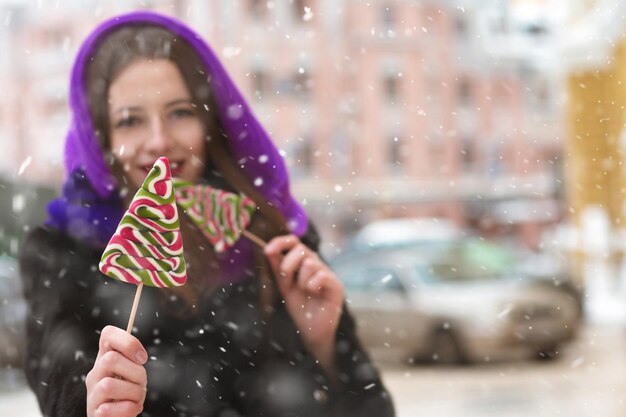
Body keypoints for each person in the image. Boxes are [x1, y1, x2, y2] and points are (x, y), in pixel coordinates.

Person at [19, 10, 395, 417]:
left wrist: (324, 345)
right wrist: (93, 408)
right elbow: (58, 394)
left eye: (180, 112)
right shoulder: (60, 253)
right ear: (102, 139)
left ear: (209, 120)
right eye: (130, 120)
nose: (159, 141)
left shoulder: (273, 237)